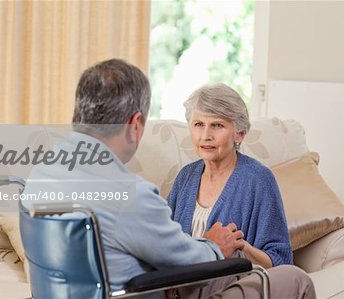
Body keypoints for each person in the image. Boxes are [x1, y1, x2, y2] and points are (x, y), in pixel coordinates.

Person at [22, 59, 245, 299]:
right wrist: (213, 247)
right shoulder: (131, 196)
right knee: (288, 278)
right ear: (134, 124)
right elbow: (190, 264)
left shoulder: (40, 174)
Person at [167, 83, 316, 298]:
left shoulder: (259, 180)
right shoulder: (185, 177)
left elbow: (280, 260)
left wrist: (241, 248)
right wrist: (209, 247)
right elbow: (163, 247)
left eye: (217, 125)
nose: (206, 135)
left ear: (240, 134)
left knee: (296, 278)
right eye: (199, 124)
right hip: (182, 287)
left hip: (230, 285)